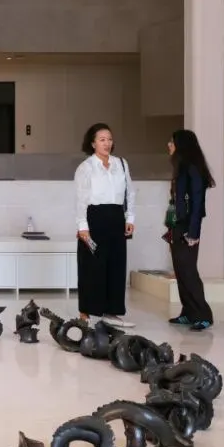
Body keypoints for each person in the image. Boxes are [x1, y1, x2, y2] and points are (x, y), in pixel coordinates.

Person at [74, 123, 136, 328]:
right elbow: (81, 199)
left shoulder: (121, 164)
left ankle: (112, 311)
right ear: (93, 143)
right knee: (91, 265)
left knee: (116, 265)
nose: (107, 143)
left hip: (116, 217)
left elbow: (130, 192)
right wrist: (82, 226)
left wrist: (130, 218)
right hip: (94, 218)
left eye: (109, 139)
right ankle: (86, 311)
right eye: (102, 140)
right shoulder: (86, 167)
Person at [165, 129, 216, 331]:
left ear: (181, 145)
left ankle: (203, 315)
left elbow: (197, 203)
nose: (169, 145)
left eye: (172, 142)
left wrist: (193, 232)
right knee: (180, 271)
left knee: (188, 271)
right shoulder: (181, 167)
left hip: (188, 227)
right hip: (177, 225)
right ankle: (188, 312)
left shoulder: (193, 169)